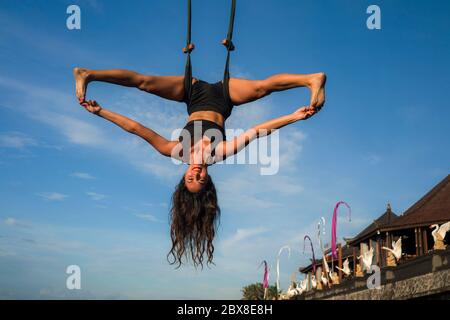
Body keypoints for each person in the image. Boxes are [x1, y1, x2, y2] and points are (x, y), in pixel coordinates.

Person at [74, 67, 326, 267]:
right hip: (225, 98)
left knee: (145, 83)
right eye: (201, 180)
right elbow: (256, 132)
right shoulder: (219, 153)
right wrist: (294, 117)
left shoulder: (175, 151)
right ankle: (311, 79)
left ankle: (89, 74)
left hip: (192, 93)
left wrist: (101, 112)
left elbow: (135, 128)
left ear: (183, 178)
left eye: (190, 180)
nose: (196, 173)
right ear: (208, 179)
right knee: (261, 88)